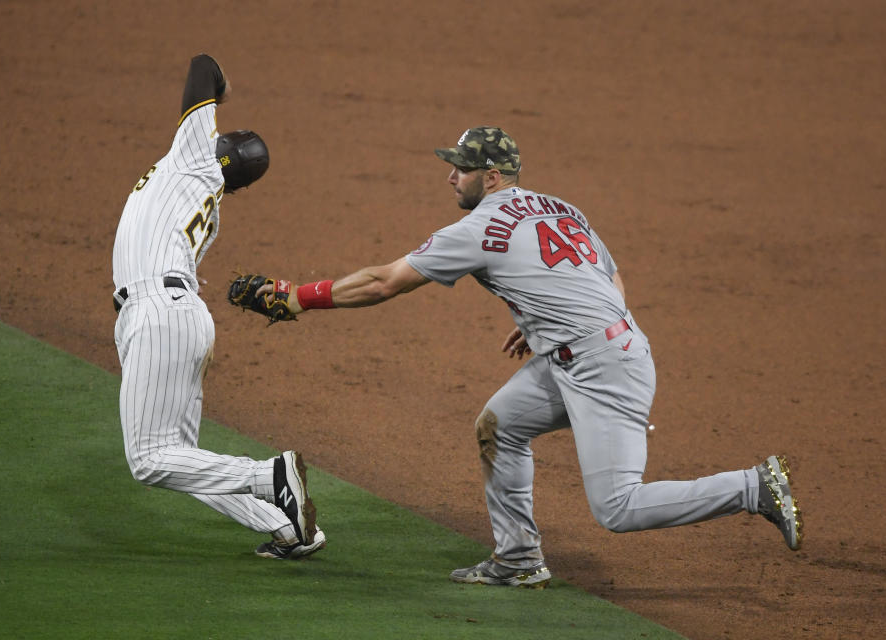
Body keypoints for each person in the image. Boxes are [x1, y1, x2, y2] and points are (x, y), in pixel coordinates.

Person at [249, 126, 802, 585]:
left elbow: (383, 283)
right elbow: (611, 275)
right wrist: (553, 322)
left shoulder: (479, 225)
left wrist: (300, 298)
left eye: (461, 168)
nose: (450, 176)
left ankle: (753, 487)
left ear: (491, 177)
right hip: (597, 348)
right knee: (500, 425)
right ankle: (517, 559)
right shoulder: (562, 207)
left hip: (602, 367)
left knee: (618, 507)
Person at [111, 54, 324, 559]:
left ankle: (270, 476)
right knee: (182, 458)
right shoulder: (208, 196)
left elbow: (202, 66)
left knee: (149, 460)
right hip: (180, 312)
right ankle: (287, 525)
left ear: (216, 147)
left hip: (159, 311)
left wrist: (222, 91)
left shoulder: (194, 158)